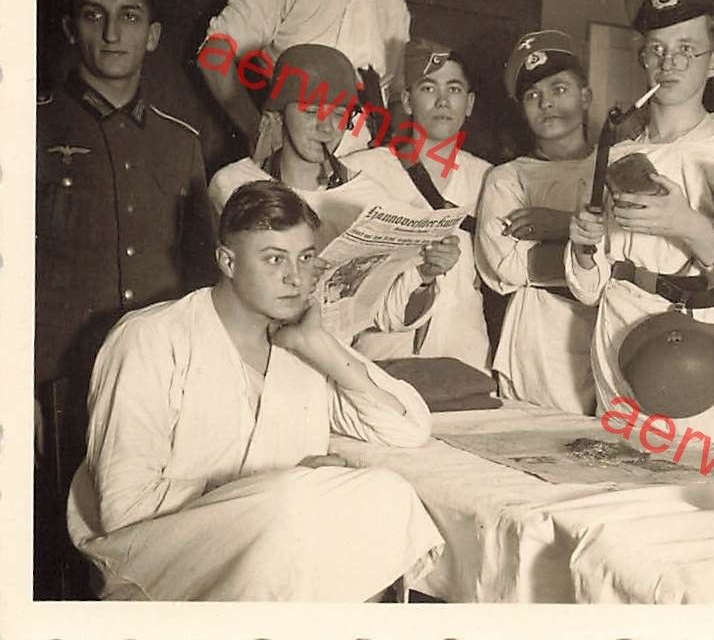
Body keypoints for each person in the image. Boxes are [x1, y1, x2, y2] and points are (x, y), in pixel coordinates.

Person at [66, 180, 444, 601]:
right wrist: (281, 483)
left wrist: (318, 344)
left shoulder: (300, 341)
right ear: (227, 261)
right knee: (294, 503)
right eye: (274, 259)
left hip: (279, 559)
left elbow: (408, 429)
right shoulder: (151, 337)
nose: (295, 278)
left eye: (305, 258)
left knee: (389, 491)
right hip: (158, 566)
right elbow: (124, 510)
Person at [35, 0, 215, 597]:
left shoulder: (181, 142)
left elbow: (201, 278)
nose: (112, 33)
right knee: (55, 565)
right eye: (95, 15)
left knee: (151, 563)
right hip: (58, 386)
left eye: (129, 17)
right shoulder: (27, 125)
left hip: (158, 391)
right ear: (69, 28)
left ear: (153, 35)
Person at [565, 0, 714, 448]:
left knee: (701, 480)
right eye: (657, 49)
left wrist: (686, 224)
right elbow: (589, 288)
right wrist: (583, 248)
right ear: (643, 60)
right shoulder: (614, 154)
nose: (669, 62)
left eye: (686, 49)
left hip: (700, 339)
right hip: (619, 329)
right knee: (618, 475)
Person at [208, 43, 460, 341]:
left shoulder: (367, 195)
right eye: (311, 111)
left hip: (330, 360)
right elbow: (214, 293)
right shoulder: (232, 184)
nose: (326, 128)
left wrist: (425, 275)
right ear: (280, 113)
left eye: (339, 114)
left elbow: (383, 315)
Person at [343, 39, 492, 372]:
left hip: (464, 353)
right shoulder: (364, 170)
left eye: (454, 89)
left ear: (469, 103)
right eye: (428, 88)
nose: (442, 101)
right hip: (382, 353)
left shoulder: (489, 179)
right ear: (408, 101)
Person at [475, 30, 597, 414]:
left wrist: (562, 225)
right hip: (542, 335)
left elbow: (640, 250)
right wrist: (596, 251)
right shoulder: (508, 178)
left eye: (559, 89)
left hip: (612, 324)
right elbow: (509, 266)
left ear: (585, 97)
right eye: (532, 95)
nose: (546, 103)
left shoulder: (614, 164)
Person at [198, 0, 410, 157]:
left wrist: (393, 152)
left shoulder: (394, 5)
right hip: (290, 151)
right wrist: (257, 131)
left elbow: (394, 94)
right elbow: (213, 57)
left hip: (364, 155)